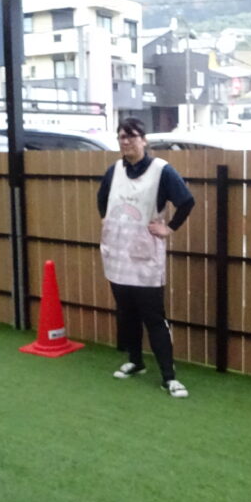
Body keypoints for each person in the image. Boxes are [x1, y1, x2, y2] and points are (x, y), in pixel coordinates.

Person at [97, 117, 195, 397]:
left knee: (153, 317)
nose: (126, 141)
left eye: (132, 136)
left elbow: (186, 201)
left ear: (144, 140)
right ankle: (135, 361)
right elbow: (102, 199)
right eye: (122, 136)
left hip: (145, 257)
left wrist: (169, 228)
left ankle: (168, 376)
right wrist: (107, 220)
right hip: (117, 255)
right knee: (126, 312)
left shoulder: (161, 171)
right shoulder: (114, 171)